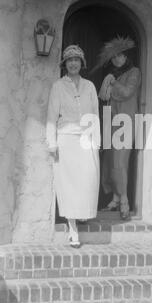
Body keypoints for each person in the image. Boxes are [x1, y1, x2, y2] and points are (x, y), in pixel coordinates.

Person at [46, 45, 100, 248]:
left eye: (77, 59)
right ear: (65, 64)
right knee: (69, 184)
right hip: (66, 139)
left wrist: (96, 141)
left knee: (87, 179)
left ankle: (82, 214)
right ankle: (73, 229)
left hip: (86, 139)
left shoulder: (90, 86)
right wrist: (52, 143)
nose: (73, 63)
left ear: (82, 63)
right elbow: (51, 116)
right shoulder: (58, 86)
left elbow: (95, 115)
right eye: (70, 60)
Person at [96, 36, 141, 220]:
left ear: (126, 56)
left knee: (120, 162)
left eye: (120, 56)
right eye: (114, 57)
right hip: (111, 121)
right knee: (110, 161)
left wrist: (113, 82)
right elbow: (104, 98)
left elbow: (127, 92)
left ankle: (124, 201)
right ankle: (114, 199)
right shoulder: (112, 73)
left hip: (125, 122)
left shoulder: (134, 72)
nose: (117, 59)